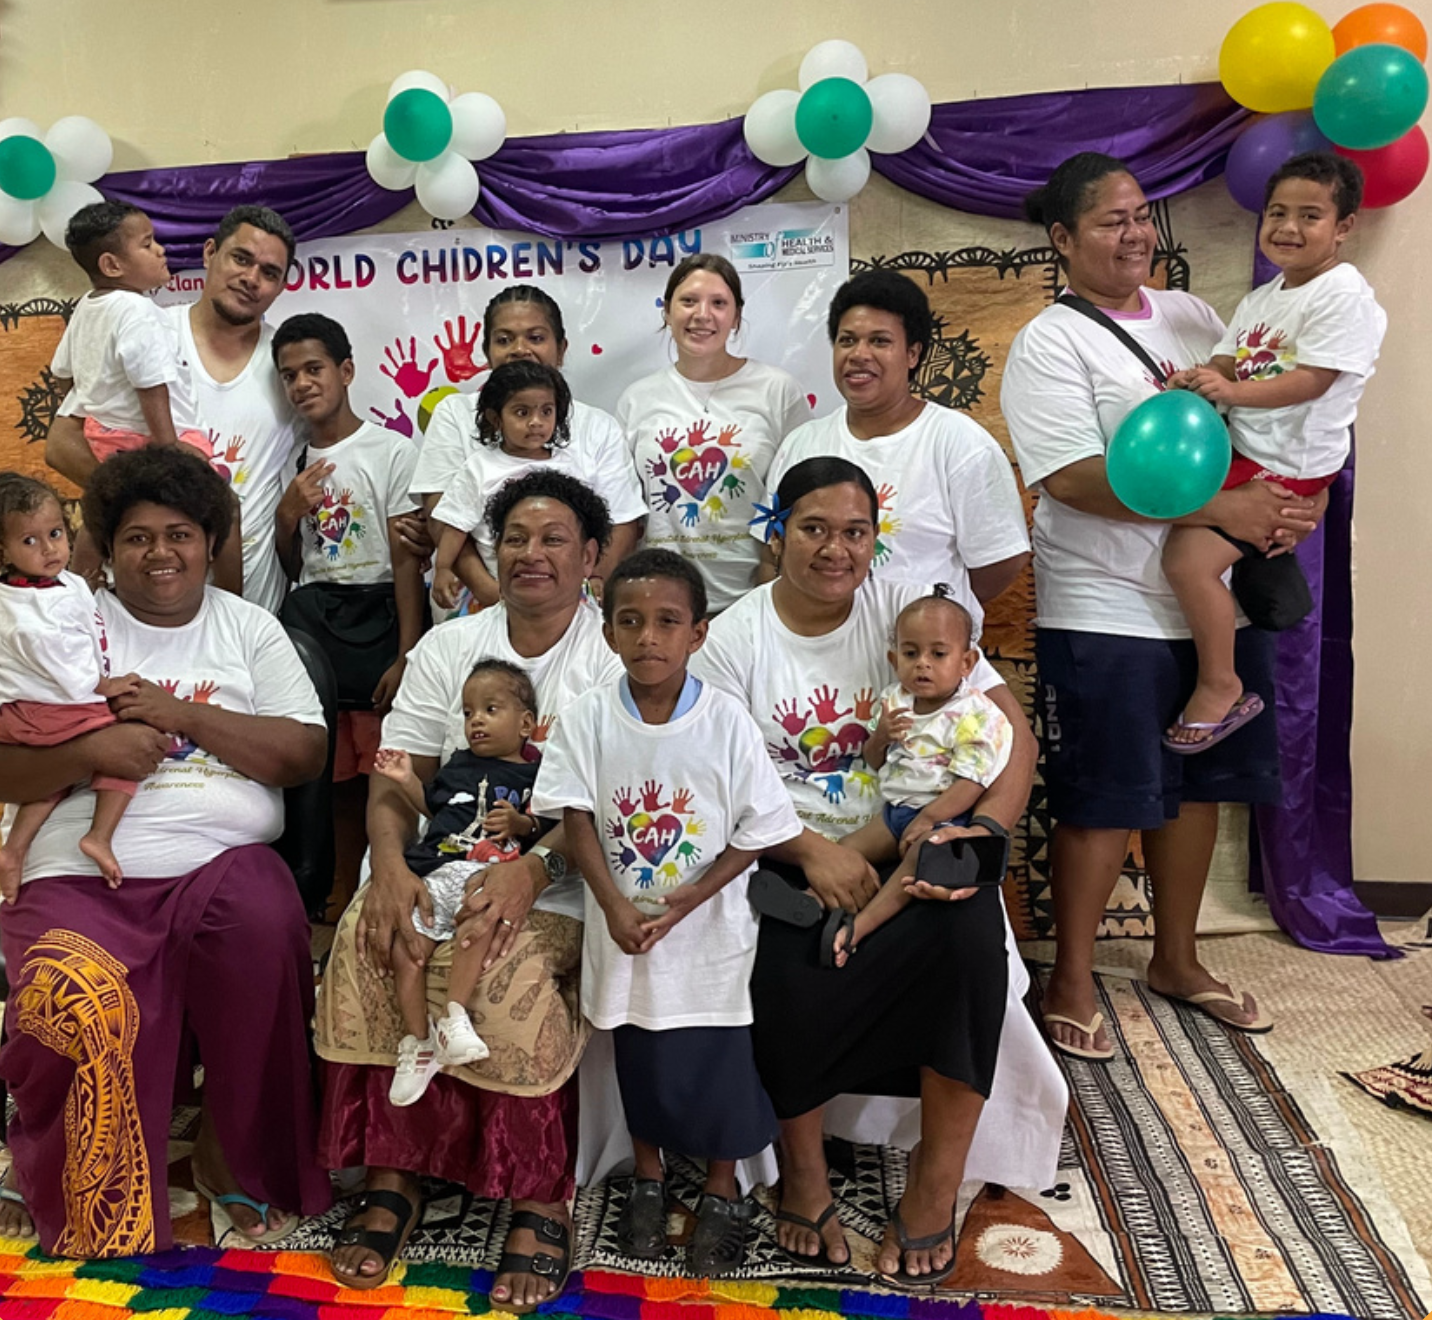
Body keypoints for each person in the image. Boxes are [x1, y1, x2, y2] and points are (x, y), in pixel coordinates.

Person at [692, 457, 1065, 1288]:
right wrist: (808, 850)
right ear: (778, 531)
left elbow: (1015, 747)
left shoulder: (910, 616)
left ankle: (935, 1188)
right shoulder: (734, 639)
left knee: (969, 944)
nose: (836, 549)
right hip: (785, 850)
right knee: (786, 959)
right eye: (815, 529)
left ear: (874, 539)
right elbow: (710, 783)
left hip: (922, 841)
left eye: (854, 532)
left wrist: (972, 840)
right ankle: (807, 1177)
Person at [1001, 152, 1328, 1063]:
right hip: (1104, 604)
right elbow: (1071, 479)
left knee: (1199, 787)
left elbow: (1259, 426)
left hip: (1212, 600)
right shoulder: (1051, 343)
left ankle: (1175, 960)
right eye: (1111, 221)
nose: (1135, 233)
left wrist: (1292, 502)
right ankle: (1070, 977)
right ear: (1063, 240)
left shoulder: (1195, 318)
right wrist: (1222, 508)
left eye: (1143, 215)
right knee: (1104, 798)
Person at [0, 445, 331, 1255]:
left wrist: (179, 713)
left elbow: (302, 754)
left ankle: (234, 1160)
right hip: (78, 867)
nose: (160, 554)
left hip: (224, 859)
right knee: (68, 985)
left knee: (264, 930)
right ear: (105, 550)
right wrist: (93, 755)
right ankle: (68, 1174)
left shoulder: (248, 628)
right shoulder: (59, 620)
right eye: (138, 537)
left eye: (179, 534)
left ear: (212, 541)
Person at [313, 470, 623, 1307]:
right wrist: (386, 871)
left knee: (506, 974)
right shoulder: (450, 646)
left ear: (592, 555)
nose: (531, 554)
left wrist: (536, 868)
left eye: (554, 538)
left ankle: (534, 1190)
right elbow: (395, 773)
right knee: (372, 940)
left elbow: (614, 798)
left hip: (566, 880)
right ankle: (396, 1170)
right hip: (436, 872)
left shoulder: (612, 654)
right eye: (514, 537)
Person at [533, 548, 800, 1275]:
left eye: (667, 622)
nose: (648, 637)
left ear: (699, 634)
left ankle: (721, 1187)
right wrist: (614, 904)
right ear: (610, 633)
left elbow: (757, 831)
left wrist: (689, 898)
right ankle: (648, 1177)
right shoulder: (588, 717)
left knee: (715, 1058)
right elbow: (576, 813)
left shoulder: (728, 723)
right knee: (638, 1052)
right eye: (630, 621)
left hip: (707, 929)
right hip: (622, 927)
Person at [1161, 152, 1385, 750]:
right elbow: (1229, 356)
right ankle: (1265, 567)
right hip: (1250, 446)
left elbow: (1312, 380)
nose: (1287, 227)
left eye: (1310, 215)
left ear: (1344, 227)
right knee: (1188, 525)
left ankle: (1221, 684)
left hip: (1289, 461)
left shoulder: (1343, 296)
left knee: (1186, 560)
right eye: (1277, 212)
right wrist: (1202, 377)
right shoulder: (1265, 297)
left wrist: (1231, 391)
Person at [764, 270, 1028, 631]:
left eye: (879, 341)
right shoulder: (801, 444)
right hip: (818, 660)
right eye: (847, 340)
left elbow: (1001, 561)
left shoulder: (959, 442)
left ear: (913, 354)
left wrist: (933, 609)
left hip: (921, 666)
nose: (859, 355)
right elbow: (772, 553)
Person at [273, 312, 424, 916]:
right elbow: (291, 566)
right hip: (317, 622)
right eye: (289, 376)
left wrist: (408, 650)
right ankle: (334, 896)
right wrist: (288, 511)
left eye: (314, 369)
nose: (303, 384)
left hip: (382, 615)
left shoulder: (390, 450)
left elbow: (406, 559)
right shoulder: (290, 458)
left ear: (346, 371)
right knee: (329, 773)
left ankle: (377, 890)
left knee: (379, 768)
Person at [371, 659, 548, 1105]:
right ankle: (419, 1043)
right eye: (469, 713)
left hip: (488, 872)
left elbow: (547, 830)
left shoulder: (534, 777)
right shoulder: (456, 767)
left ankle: (454, 1016)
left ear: (526, 723)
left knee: (476, 929)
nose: (477, 722)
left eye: (491, 709)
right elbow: (435, 809)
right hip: (435, 867)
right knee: (407, 948)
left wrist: (521, 823)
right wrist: (407, 778)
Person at [412, 285, 645, 607]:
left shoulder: (598, 425)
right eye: (504, 339)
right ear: (487, 350)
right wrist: (495, 596)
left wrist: (585, 590)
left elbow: (621, 523)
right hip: (480, 602)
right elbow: (445, 515)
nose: (519, 349)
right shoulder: (454, 413)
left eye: (536, 338)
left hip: (577, 608)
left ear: (561, 349)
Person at [51, 202, 241, 593]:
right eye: (147, 243)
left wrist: (94, 409)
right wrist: (167, 446)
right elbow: (150, 383)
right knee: (224, 504)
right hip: (147, 435)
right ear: (112, 265)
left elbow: (62, 376)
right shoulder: (137, 310)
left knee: (103, 507)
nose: (160, 250)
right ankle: (229, 598)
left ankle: (81, 588)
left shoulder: (88, 307)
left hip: (101, 432)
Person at [824, 591, 1013, 966]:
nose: (922, 665)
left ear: (966, 662)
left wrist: (929, 819)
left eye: (938, 654)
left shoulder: (975, 714)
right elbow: (875, 761)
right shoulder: (896, 700)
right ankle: (809, 901)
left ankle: (859, 928)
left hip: (944, 817)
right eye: (911, 654)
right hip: (895, 812)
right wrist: (880, 737)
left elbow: (972, 782)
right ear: (894, 660)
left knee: (919, 859)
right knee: (844, 851)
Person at [616, 254, 811, 613]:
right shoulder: (637, 399)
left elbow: (800, 497)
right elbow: (625, 509)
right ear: (667, 312)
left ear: (736, 316)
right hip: (660, 603)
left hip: (751, 600)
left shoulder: (778, 391)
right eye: (688, 301)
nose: (702, 314)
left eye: (719, 303)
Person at [0, 474, 140, 894]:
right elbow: (66, 670)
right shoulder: (28, 616)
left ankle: (13, 850)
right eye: (30, 541)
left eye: (55, 533)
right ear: (2, 550)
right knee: (130, 747)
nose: (48, 549)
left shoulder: (64, 582)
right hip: (44, 707)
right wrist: (106, 686)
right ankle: (98, 836)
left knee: (51, 781)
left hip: (45, 705)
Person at [431, 362, 591, 610]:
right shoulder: (480, 467)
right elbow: (454, 523)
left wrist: (595, 576)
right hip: (496, 593)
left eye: (546, 411)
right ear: (496, 419)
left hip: (562, 595)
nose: (536, 422)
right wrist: (442, 568)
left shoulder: (569, 466)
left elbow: (587, 528)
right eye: (522, 412)